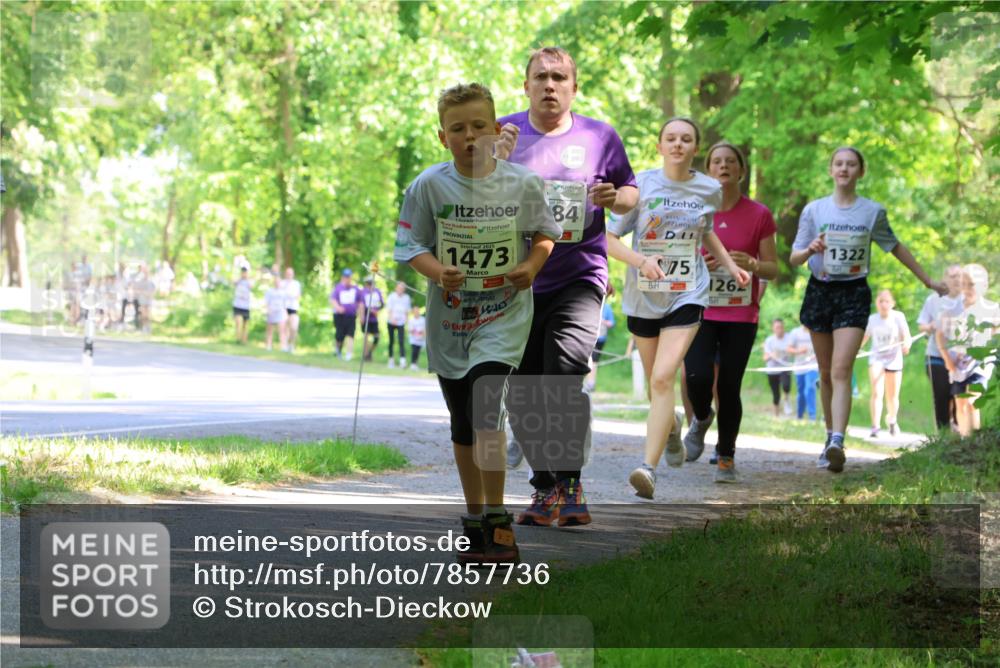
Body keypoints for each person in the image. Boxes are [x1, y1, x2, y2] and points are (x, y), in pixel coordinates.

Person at [393, 82, 560, 563]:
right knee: (463, 421)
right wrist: (437, 270)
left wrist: (530, 267)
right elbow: (411, 247)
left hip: (502, 314)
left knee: (488, 404)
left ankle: (497, 518)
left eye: (479, 126)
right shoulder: (428, 185)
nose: (470, 137)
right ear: (442, 137)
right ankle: (474, 516)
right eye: (458, 129)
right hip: (451, 320)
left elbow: (545, 236)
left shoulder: (521, 184)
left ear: (496, 130)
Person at [498, 46, 638, 526]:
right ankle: (545, 488)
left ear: (574, 88)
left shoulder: (600, 136)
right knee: (521, 392)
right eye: (541, 77)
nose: (550, 85)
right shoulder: (504, 134)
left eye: (560, 77)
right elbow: (469, 192)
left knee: (563, 373)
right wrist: (490, 164)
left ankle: (571, 485)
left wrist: (614, 196)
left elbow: (629, 194)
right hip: (516, 283)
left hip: (580, 275)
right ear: (526, 85)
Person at [607, 117, 750, 497]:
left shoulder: (708, 188)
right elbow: (607, 237)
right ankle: (669, 429)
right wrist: (640, 262)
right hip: (644, 293)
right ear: (659, 146)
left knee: (662, 378)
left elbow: (705, 231)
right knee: (660, 386)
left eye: (686, 139)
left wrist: (732, 265)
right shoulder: (642, 185)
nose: (678, 144)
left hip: (689, 290)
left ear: (694, 148)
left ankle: (647, 469)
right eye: (670, 138)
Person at [790, 146, 946, 472]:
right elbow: (794, 257)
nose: (844, 169)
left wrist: (928, 280)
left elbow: (896, 247)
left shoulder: (871, 212)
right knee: (825, 373)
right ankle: (828, 438)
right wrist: (810, 249)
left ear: (861, 172)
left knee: (841, 369)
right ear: (831, 170)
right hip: (820, 291)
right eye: (839, 164)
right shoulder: (814, 210)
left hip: (853, 292)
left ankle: (837, 440)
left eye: (851, 164)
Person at [680, 142, 778, 482]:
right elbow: (675, 259)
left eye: (730, 162)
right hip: (700, 307)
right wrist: (698, 262)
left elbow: (773, 269)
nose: (723, 166)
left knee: (731, 385)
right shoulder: (693, 209)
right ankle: (701, 417)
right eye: (716, 162)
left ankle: (725, 455)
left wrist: (752, 264)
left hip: (740, 313)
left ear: (741, 170)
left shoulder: (759, 214)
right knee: (697, 376)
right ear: (707, 170)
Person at [936, 265, 999, 436]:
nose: (967, 289)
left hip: (980, 363)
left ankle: (974, 441)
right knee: (961, 403)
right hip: (958, 363)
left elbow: (996, 333)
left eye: (971, 284)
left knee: (972, 400)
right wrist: (948, 360)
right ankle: (965, 439)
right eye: (964, 284)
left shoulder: (992, 309)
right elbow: (940, 335)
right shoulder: (952, 310)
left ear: (983, 285)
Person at [917, 264, 964, 431]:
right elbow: (921, 325)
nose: (957, 279)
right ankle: (943, 433)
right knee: (942, 394)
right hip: (935, 355)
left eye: (959, 276)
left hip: (962, 358)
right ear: (944, 279)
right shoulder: (933, 300)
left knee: (958, 394)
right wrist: (929, 326)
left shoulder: (967, 300)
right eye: (952, 276)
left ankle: (959, 429)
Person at [862, 289, 912, 437]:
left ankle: (892, 419)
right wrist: (853, 350)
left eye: (887, 301)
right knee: (877, 392)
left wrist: (906, 345)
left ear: (892, 303)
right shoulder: (872, 319)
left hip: (894, 358)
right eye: (880, 301)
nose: (883, 304)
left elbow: (907, 336)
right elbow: (864, 337)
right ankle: (875, 426)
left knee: (892, 396)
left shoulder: (898, 317)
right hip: (876, 358)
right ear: (876, 303)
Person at [763, 318, 794, 418]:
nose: (779, 329)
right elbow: (765, 358)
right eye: (777, 327)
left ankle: (787, 400)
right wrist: (772, 355)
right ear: (773, 328)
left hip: (784, 367)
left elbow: (792, 350)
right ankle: (776, 416)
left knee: (786, 386)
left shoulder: (789, 338)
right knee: (776, 394)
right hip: (772, 370)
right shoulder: (769, 340)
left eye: (781, 327)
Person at [788, 323, 819, 421]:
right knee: (801, 392)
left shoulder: (817, 331)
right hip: (799, 366)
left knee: (809, 388)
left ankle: (812, 416)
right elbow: (788, 348)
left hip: (813, 366)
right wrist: (799, 351)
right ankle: (800, 415)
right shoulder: (795, 332)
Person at [584, 296, 615, 392]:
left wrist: (603, 321)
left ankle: (591, 383)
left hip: (600, 339)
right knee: (588, 360)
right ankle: (588, 383)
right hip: (589, 337)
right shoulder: (589, 305)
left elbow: (611, 323)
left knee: (594, 361)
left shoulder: (607, 307)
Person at [330, 268, 361, 360]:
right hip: (340, 316)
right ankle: (338, 350)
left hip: (351, 315)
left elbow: (359, 302)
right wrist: (338, 308)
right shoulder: (338, 288)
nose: (348, 279)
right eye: (346, 277)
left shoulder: (355, 289)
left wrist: (359, 311)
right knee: (340, 335)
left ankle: (349, 354)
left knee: (350, 334)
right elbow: (333, 299)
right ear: (343, 277)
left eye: (349, 277)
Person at [386, 281, 412, 368]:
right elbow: (389, 309)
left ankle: (402, 361)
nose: (401, 290)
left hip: (401, 322)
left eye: (403, 288)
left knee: (401, 341)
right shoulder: (391, 296)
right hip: (391, 322)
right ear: (396, 288)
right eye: (399, 288)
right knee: (391, 341)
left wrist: (406, 322)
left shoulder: (407, 298)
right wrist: (392, 319)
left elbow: (407, 311)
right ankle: (391, 360)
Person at [359, 276, 384, 362]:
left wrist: (376, 310)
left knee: (377, 337)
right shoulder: (363, 292)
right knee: (366, 336)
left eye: (372, 283)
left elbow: (382, 304)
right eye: (368, 284)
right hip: (366, 318)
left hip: (374, 319)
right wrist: (361, 316)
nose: (370, 285)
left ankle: (369, 352)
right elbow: (361, 305)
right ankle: (365, 355)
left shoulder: (377, 292)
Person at [264, 272, 288, 351]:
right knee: (270, 330)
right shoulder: (270, 291)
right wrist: (268, 310)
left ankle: (283, 346)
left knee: (282, 330)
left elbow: (285, 304)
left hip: (280, 312)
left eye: (278, 281)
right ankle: (268, 345)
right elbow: (266, 302)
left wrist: (286, 313)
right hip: (272, 312)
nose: (277, 283)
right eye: (276, 281)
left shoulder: (283, 292)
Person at [282, 267, 302, 353]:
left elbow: (298, 296)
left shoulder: (296, 284)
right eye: (287, 273)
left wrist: (292, 296)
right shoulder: (282, 283)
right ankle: (285, 345)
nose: (289, 275)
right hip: (284, 307)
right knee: (285, 327)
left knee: (294, 327)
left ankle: (291, 344)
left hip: (293, 308)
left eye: (291, 273)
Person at [232, 266, 252, 344]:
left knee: (245, 325)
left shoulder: (248, 281)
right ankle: (238, 339)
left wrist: (246, 278)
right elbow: (234, 282)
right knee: (238, 322)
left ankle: (244, 341)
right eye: (243, 272)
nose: (244, 274)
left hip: (246, 306)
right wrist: (240, 278)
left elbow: (251, 286)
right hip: (237, 305)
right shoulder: (239, 280)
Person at [406, 305, 426, 370]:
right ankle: (412, 363)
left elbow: (425, 329)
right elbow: (410, 330)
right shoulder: (411, 320)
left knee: (418, 351)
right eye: (415, 311)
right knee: (414, 350)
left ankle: (415, 363)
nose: (416, 312)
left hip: (421, 338)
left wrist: (422, 334)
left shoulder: (423, 319)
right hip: (413, 338)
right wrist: (414, 333)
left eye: (417, 311)